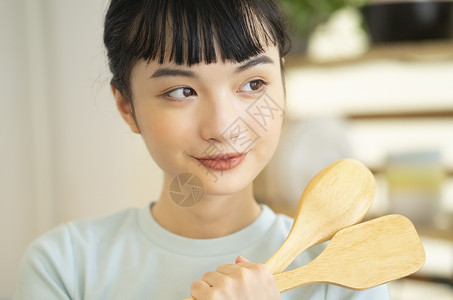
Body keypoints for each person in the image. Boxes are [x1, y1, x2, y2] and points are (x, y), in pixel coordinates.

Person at [14, 0, 389, 299]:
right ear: (126, 106)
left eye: (254, 83)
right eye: (181, 91)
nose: (223, 127)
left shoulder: (342, 271)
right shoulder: (64, 268)